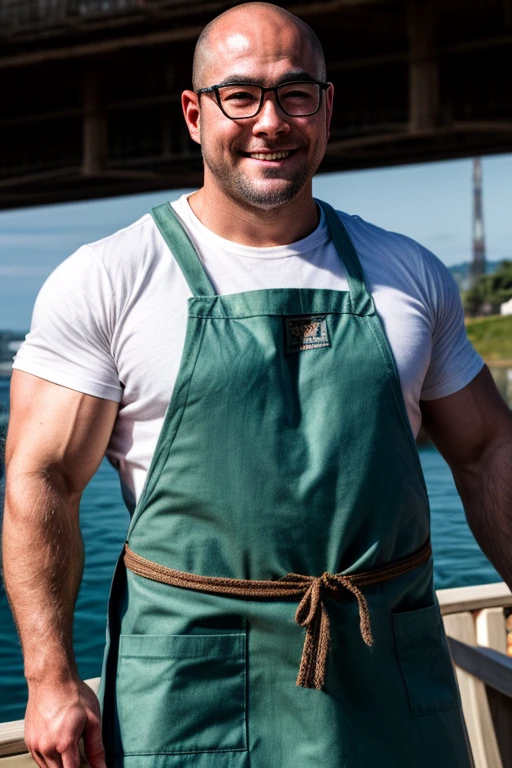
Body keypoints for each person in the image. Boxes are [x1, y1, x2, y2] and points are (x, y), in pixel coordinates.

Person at [3, 2, 512, 766]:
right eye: (240, 95)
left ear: (327, 108)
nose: (270, 120)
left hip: (389, 675)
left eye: (295, 93)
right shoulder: (108, 279)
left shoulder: (409, 275)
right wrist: (50, 677)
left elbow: (485, 453)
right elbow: (40, 481)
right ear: (194, 113)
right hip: (191, 690)